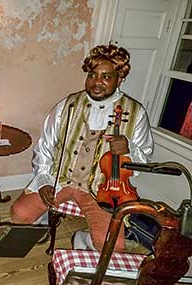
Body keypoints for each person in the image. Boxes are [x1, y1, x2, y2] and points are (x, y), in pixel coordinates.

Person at [10, 44, 154, 251]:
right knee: (19, 214)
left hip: (102, 190)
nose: (97, 83)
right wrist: (43, 181)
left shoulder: (136, 112)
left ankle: (83, 239)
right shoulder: (67, 105)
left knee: (113, 246)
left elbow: (145, 159)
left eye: (106, 77)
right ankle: (41, 220)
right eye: (93, 75)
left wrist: (129, 148)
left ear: (120, 79)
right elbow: (45, 147)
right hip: (61, 179)